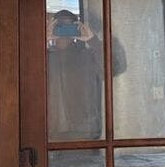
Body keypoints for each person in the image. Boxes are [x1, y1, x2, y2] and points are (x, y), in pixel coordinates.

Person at [46, 9, 126, 141]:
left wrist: (92, 40)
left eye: (69, 27)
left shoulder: (88, 56)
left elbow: (115, 69)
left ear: (76, 28)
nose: (64, 31)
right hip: (48, 133)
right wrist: (41, 40)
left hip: (85, 133)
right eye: (59, 26)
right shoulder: (42, 57)